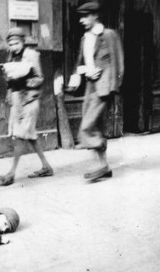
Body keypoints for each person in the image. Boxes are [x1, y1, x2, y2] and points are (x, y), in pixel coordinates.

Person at [66, 2, 124, 182]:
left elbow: (118, 62)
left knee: (86, 127)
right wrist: (79, 74)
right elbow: (81, 61)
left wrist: (113, 86)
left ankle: (101, 160)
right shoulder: (85, 38)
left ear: (94, 16)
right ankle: (102, 166)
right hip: (90, 85)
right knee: (95, 125)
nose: (82, 20)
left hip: (103, 86)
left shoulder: (108, 35)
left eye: (85, 16)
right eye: (81, 17)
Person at [0, 27, 54, 186]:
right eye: (11, 44)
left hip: (30, 100)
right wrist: (10, 88)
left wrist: (23, 77)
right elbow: (9, 80)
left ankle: (11, 173)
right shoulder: (11, 57)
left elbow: (40, 78)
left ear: (22, 42)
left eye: (17, 43)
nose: (14, 46)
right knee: (30, 136)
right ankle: (46, 166)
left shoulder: (31, 55)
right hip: (17, 102)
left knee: (21, 136)